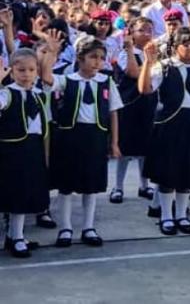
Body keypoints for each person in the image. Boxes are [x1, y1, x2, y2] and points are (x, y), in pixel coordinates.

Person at [47, 34, 123, 247]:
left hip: (95, 137)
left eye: (101, 58)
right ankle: (65, 228)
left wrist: (114, 142)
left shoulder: (106, 82)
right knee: (66, 185)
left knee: (91, 185)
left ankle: (88, 227)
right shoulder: (67, 80)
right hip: (70, 137)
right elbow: (46, 78)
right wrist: (52, 52)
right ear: (80, 58)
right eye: (93, 57)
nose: (98, 62)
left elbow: (113, 112)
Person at [139, 27, 190, 236]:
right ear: (175, 46)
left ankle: (182, 215)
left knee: (188, 172)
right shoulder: (164, 67)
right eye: (187, 44)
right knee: (168, 172)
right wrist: (147, 63)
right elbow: (145, 89)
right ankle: (166, 216)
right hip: (171, 124)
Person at [0, 43, 56, 258]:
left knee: (27, 192)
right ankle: (16, 237)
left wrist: (46, 153)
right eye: (21, 70)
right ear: (12, 71)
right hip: (12, 150)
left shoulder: (39, 94)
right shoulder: (7, 94)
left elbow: (44, 124)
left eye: (31, 70)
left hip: (33, 148)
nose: (26, 74)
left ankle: (15, 235)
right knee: (16, 193)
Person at [109, 17, 157, 204]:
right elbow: (133, 73)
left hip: (148, 104)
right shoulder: (125, 53)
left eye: (150, 30)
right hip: (129, 105)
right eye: (142, 30)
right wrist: (129, 50)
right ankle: (118, 187)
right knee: (125, 147)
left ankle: (144, 185)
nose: (147, 34)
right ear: (131, 33)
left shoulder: (154, 54)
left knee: (145, 147)